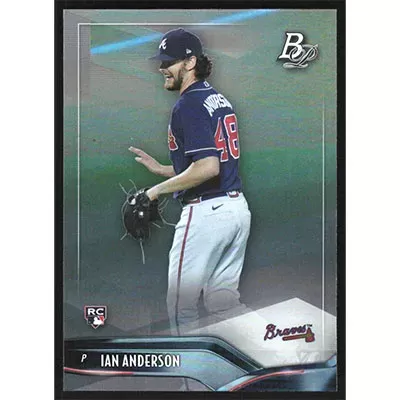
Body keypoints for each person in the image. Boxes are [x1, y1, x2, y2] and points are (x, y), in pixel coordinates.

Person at [129, 28, 251, 335]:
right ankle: (279, 350)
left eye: (169, 61)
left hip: (206, 215)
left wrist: (154, 192)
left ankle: (188, 370)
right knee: (224, 304)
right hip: (235, 211)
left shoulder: (189, 105)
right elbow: (210, 163)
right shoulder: (217, 99)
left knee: (180, 307)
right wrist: (162, 170)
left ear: (190, 62)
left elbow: (208, 167)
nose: (162, 68)